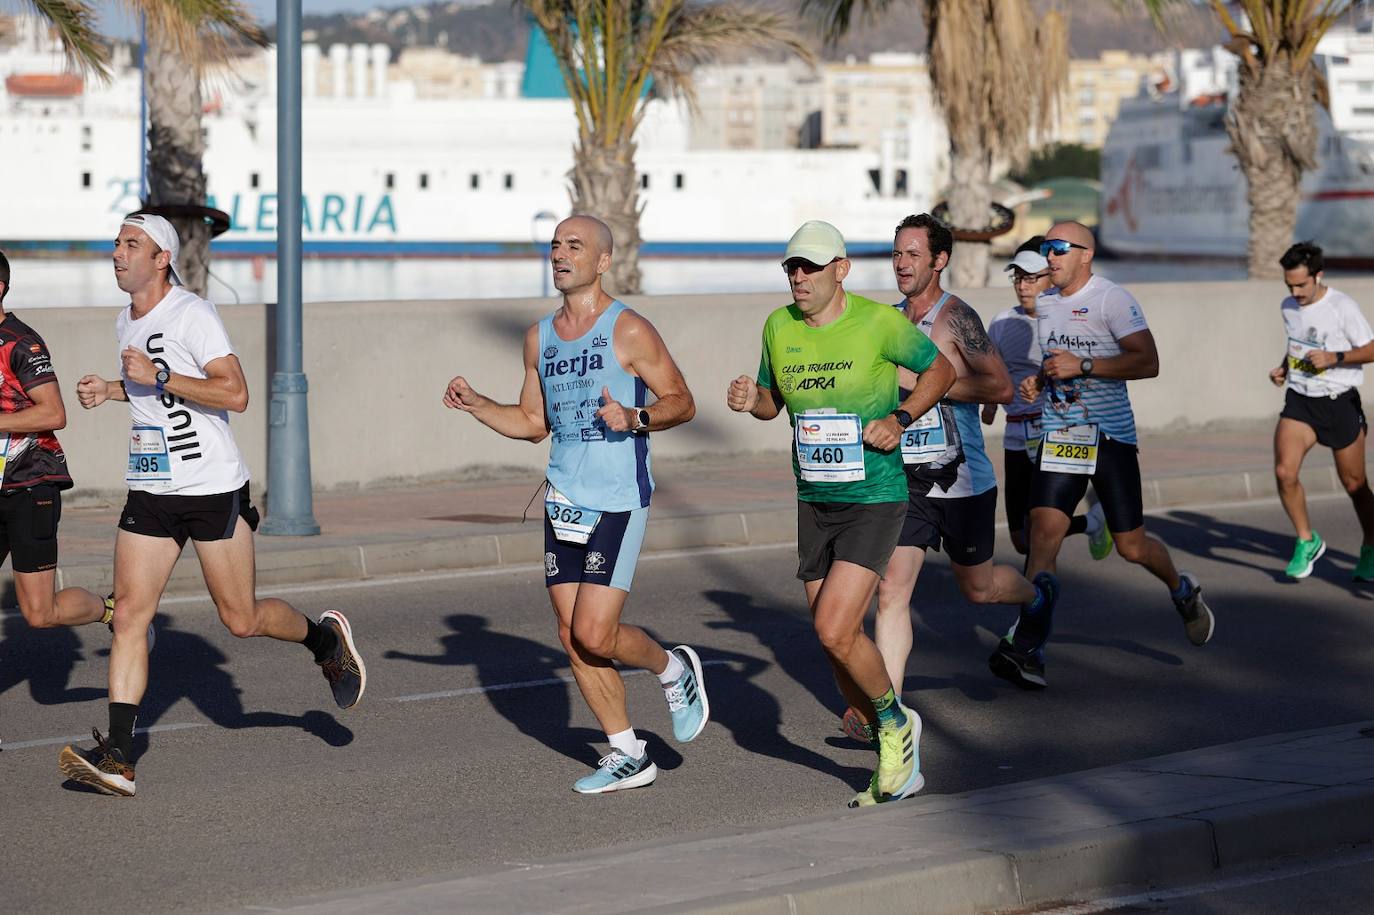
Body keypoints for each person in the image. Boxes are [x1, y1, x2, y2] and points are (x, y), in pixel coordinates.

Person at [58, 214, 364, 797]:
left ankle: (324, 641)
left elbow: (235, 392)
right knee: (128, 614)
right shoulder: (127, 317)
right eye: (117, 243)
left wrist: (161, 373)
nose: (117, 253)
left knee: (240, 619)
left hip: (210, 486)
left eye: (131, 245)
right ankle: (119, 754)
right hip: (151, 487)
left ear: (161, 259)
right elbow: (151, 383)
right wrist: (115, 390)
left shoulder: (193, 314)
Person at [443, 214, 708, 794]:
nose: (561, 254)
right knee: (571, 634)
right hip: (564, 499)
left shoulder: (628, 329)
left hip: (618, 499)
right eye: (557, 245)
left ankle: (672, 669)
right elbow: (533, 423)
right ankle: (627, 753)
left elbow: (683, 402)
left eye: (575, 246)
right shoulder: (537, 337)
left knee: (594, 632)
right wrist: (476, 403)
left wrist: (635, 417)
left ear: (603, 260)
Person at [727, 220, 955, 807]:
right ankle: (882, 721)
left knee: (834, 625)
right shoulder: (779, 326)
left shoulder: (880, 323)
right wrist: (752, 400)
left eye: (809, 266)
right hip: (814, 499)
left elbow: (942, 371)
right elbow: (772, 403)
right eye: (791, 268)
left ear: (841, 269)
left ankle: (896, 725)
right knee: (833, 641)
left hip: (874, 497)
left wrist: (900, 419)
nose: (798, 277)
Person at [994, 221, 1215, 689]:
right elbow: (1056, 358)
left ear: (1085, 253)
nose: (1049, 256)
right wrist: (1041, 377)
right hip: (1061, 434)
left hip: (1110, 437)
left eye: (1057, 248)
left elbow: (1148, 362)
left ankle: (1181, 589)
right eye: (1045, 249)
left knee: (1132, 546)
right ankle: (1029, 647)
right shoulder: (1048, 303)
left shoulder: (1112, 299)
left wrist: (1086, 365)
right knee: (1042, 535)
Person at [868, 215, 1054, 713]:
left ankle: (1035, 600)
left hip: (964, 479)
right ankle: (890, 713)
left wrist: (926, 388)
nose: (902, 264)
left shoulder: (958, 319)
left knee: (980, 589)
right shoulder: (886, 322)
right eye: (897, 254)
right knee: (891, 593)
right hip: (907, 479)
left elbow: (1000, 389)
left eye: (912, 255)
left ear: (939, 260)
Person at [0, 249, 140, 642]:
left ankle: (113, 611)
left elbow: (53, 414)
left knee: (40, 613)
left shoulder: (21, 343)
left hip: (30, 485)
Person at [983, 237, 1110, 560]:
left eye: (1030, 278)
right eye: (1018, 278)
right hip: (1015, 436)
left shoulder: (1067, 320)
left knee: (1040, 533)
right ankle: (1091, 522)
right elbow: (994, 371)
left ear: (1049, 276)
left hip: (1054, 434)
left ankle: (1036, 608)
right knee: (1021, 539)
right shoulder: (1002, 322)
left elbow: (1089, 373)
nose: (1022, 286)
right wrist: (990, 406)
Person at [1269, 241, 1374, 581]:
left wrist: (1335, 358)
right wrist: (1284, 367)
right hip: (1301, 400)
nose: (1295, 292)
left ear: (1318, 275)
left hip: (1339, 401)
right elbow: (1298, 343)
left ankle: (1371, 545)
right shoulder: (1288, 306)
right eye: (1290, 285)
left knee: (1355, 484)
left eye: (1301, 284)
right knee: (1285, 472)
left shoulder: (1342, 306)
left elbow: (1371, 348)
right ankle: (1306, 540)